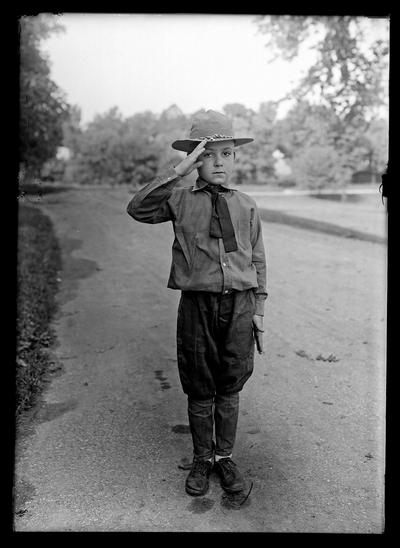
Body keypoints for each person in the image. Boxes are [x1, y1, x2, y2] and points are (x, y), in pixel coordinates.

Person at [127, 109, 267, 498]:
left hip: (238, 305)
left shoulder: (246, 205)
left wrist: (258, 309)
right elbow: (137, 208)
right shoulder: (179, 199)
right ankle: (202, 457)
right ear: (195, 160)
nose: (218, 163)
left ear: (236, 158)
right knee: (199, 385)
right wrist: (180, 169)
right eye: (207, 155)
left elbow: (257, 258)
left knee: (230, 383)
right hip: (197, 306)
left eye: (226, 154)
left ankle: (225, 457)